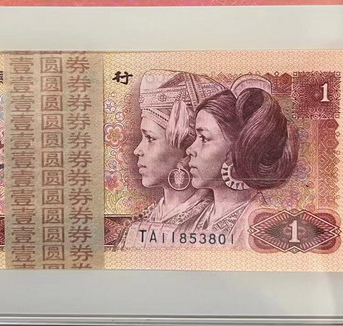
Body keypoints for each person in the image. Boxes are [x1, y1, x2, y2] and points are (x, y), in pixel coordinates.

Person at [182, 75, 299, 247]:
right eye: (195, 137)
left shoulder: (263, 226)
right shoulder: (191, 220)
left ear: (238, 149)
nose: (190, 149)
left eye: (204, 138)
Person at [120, 70, 225, 248]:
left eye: (150, 138)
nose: (138, 150)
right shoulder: (142, 221)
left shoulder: (215, 222)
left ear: (185, 150)